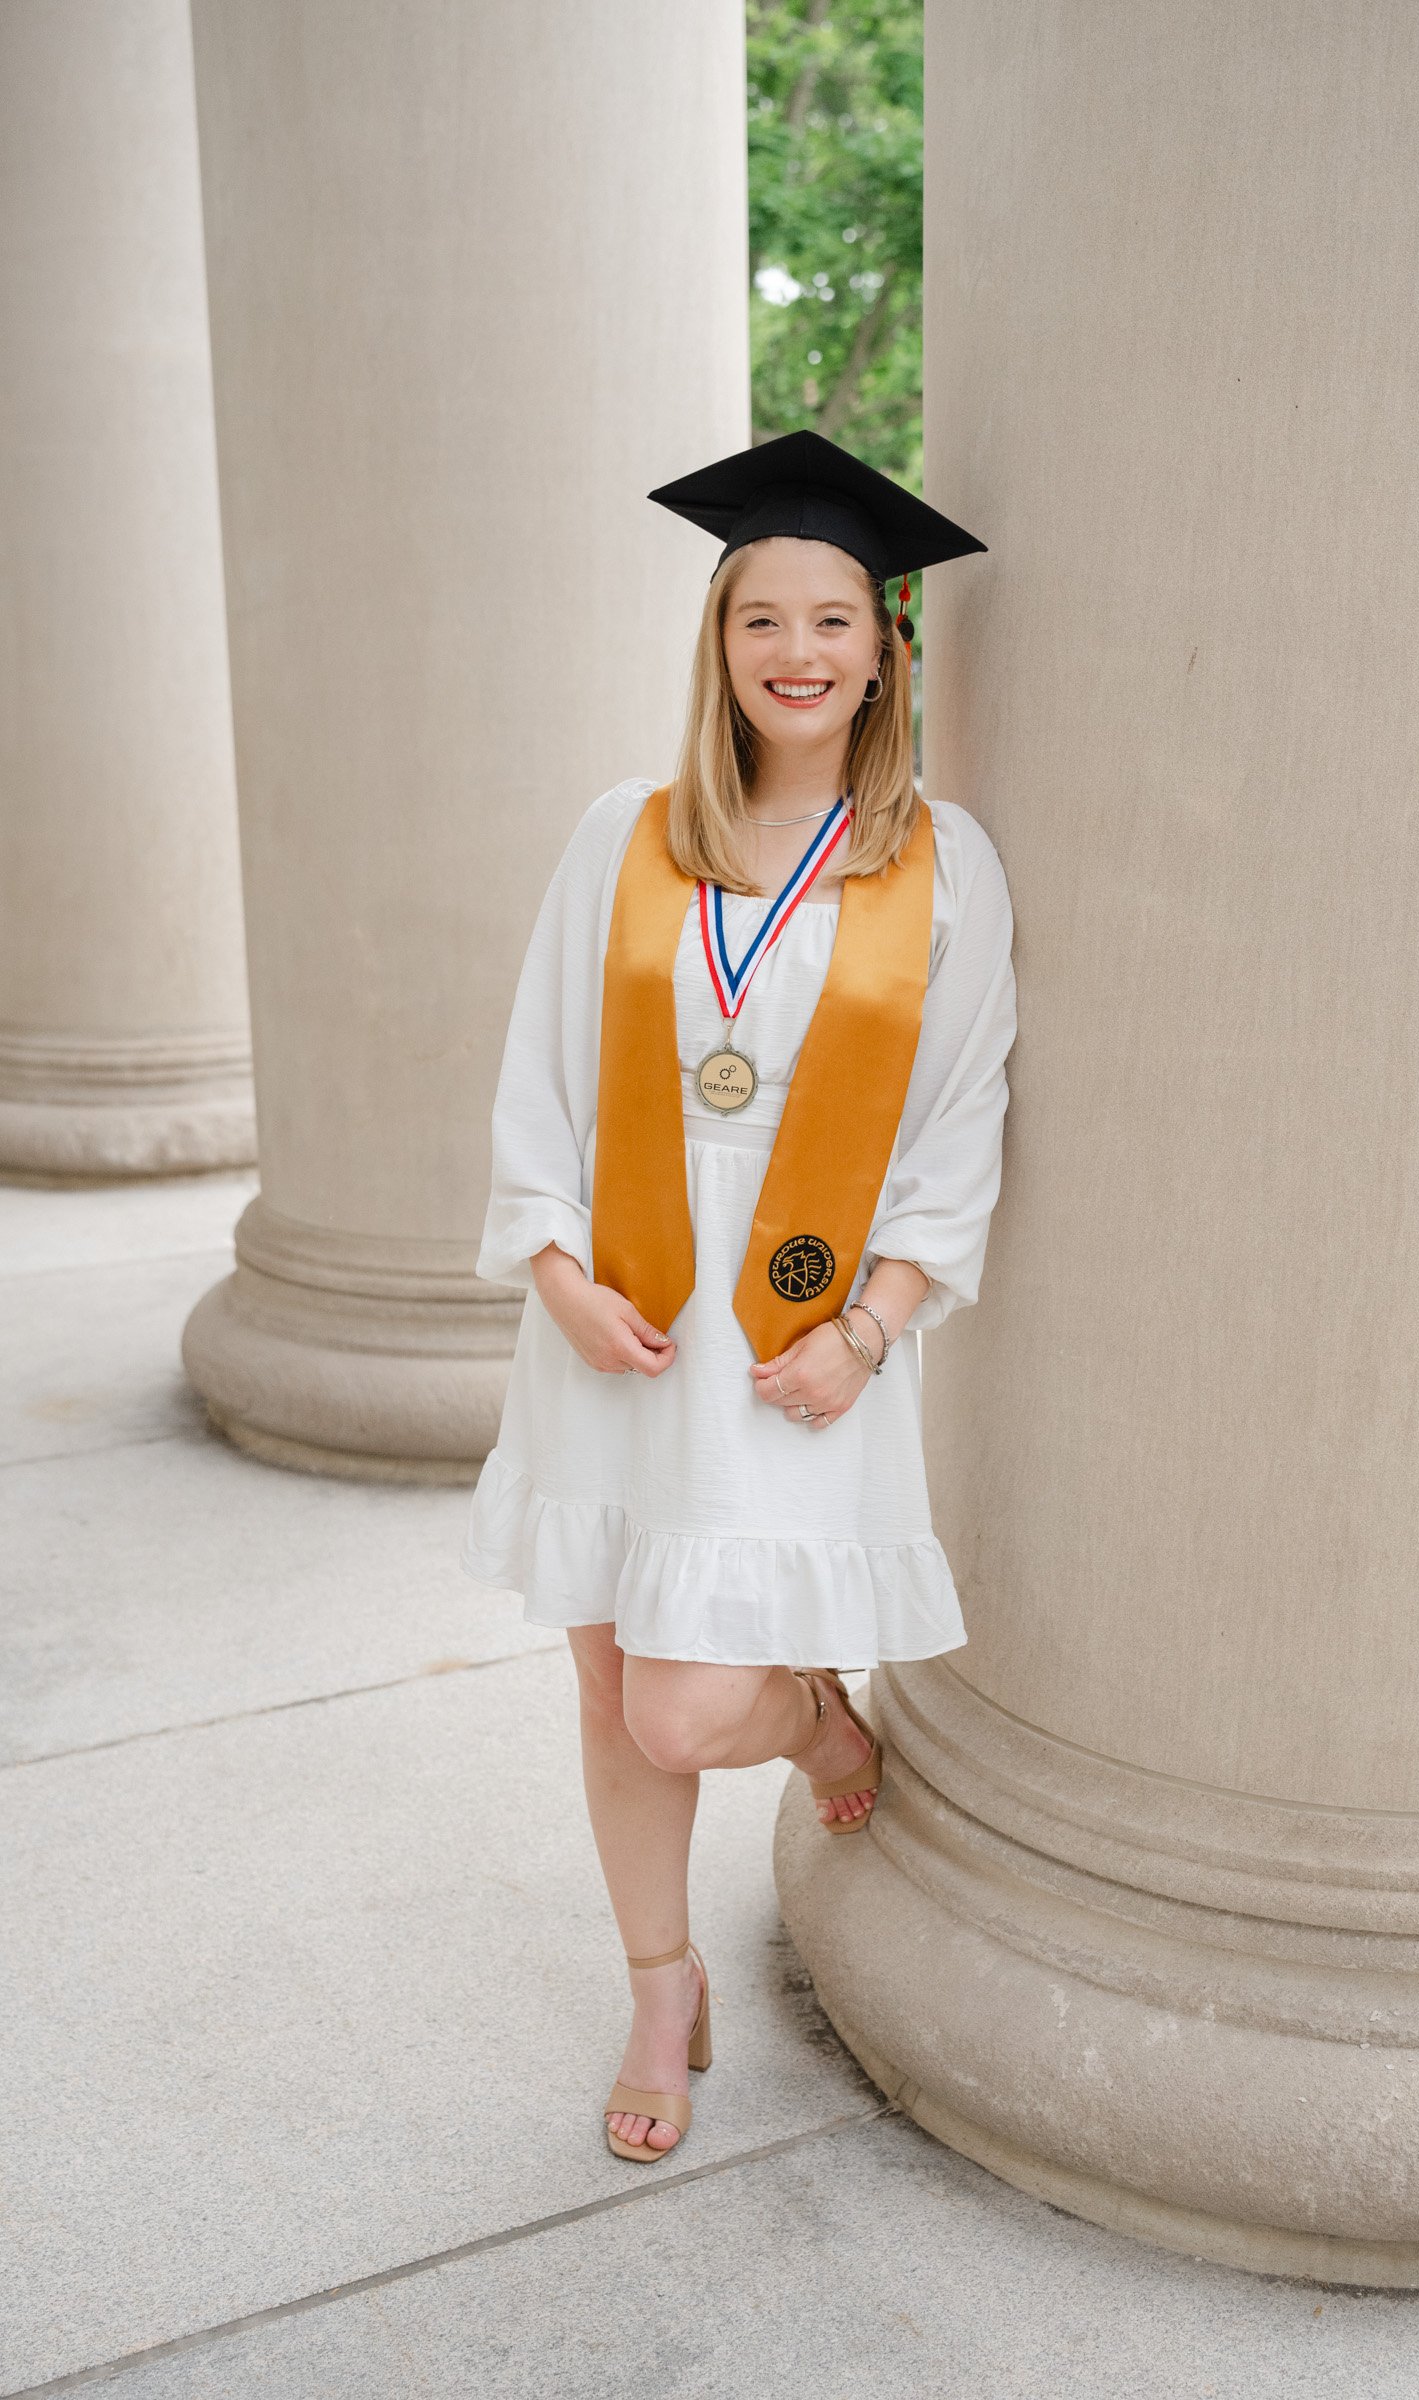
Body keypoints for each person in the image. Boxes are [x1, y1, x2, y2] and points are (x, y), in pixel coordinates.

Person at [461, 429, 1017, 2164]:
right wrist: (551, 1270)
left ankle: (812, 1707)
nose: (797, 650)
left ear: (883, 649)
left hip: (790, 1346)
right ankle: (657, 1983)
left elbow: (961, 1119)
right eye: (760, 615)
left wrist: (871, 1328)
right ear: (718, 641)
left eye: (834, 618)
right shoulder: (622, 839)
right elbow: (539, 1073)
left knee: (689, 1700)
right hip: (615, 1327)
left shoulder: (941, 865)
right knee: (611, 1668)